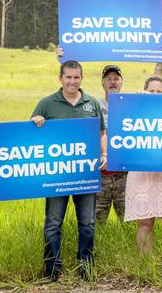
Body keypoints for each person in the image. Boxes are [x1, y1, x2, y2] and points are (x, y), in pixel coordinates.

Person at [56, 46, 162, 223]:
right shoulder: (92, 106)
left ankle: (129, 251)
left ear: (122, 82)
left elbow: (155, 94)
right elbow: (70, 89)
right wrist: (64, 59)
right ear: (103, 83)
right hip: (100, 174)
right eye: (108, 79)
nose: (113, 81)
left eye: (116, 78)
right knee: (95, 222)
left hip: (125, 175)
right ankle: (96, 250)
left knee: (130, 222)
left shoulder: (131, 104)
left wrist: (159, 62)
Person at [30, 60, 107, 282]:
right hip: (57, 176)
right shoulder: (47, 103)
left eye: (76, 77)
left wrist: (104, 154)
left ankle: (86, 268)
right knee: (53, 223)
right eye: (68, 77)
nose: (72, 81)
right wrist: (36, 121)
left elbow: (101, 133)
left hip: (85, 174)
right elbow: (31, 136)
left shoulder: (91, 103)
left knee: (88, 224)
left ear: (81, 78)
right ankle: (52, 270)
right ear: (60, 78)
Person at [124, 75, 162, 266]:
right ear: (145, 91)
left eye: (159, 92)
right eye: (151, 91)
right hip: (142, 173)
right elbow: (123, 131)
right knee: (145, 223)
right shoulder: (134, 111)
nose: (155, 94)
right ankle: (146, 267)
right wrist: (137, 103)